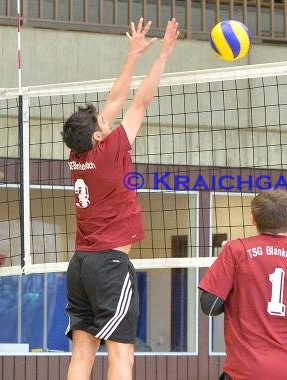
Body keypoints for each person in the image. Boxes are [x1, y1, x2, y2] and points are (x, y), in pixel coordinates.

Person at [62, 18, 179, 380]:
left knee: (82, 357)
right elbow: (140, 102)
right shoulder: (111, 151)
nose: (106, 119)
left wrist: (131, 55)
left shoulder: (79, 155)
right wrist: (164, 53)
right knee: (122, 357)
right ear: (98, 135)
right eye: (102, 122)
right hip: (110, 266)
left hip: (80, 264)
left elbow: (113, 101)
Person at [199, 190, 287, 380]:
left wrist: (236, 296)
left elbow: (210, 306)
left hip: (247, 371)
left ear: (253, 220)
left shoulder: (236, 250)